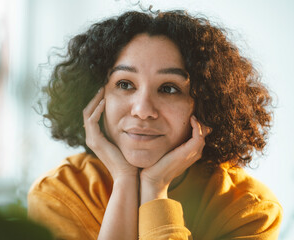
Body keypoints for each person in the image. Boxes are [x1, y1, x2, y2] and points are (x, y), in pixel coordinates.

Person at [28, 10, 282, 240]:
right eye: (125, 84)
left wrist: (155, 187)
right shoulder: (58, 193)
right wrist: (125, 180)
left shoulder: (250, 210)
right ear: (94, 97)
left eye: (169, 89)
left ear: (207, 104)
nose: (142, 110)